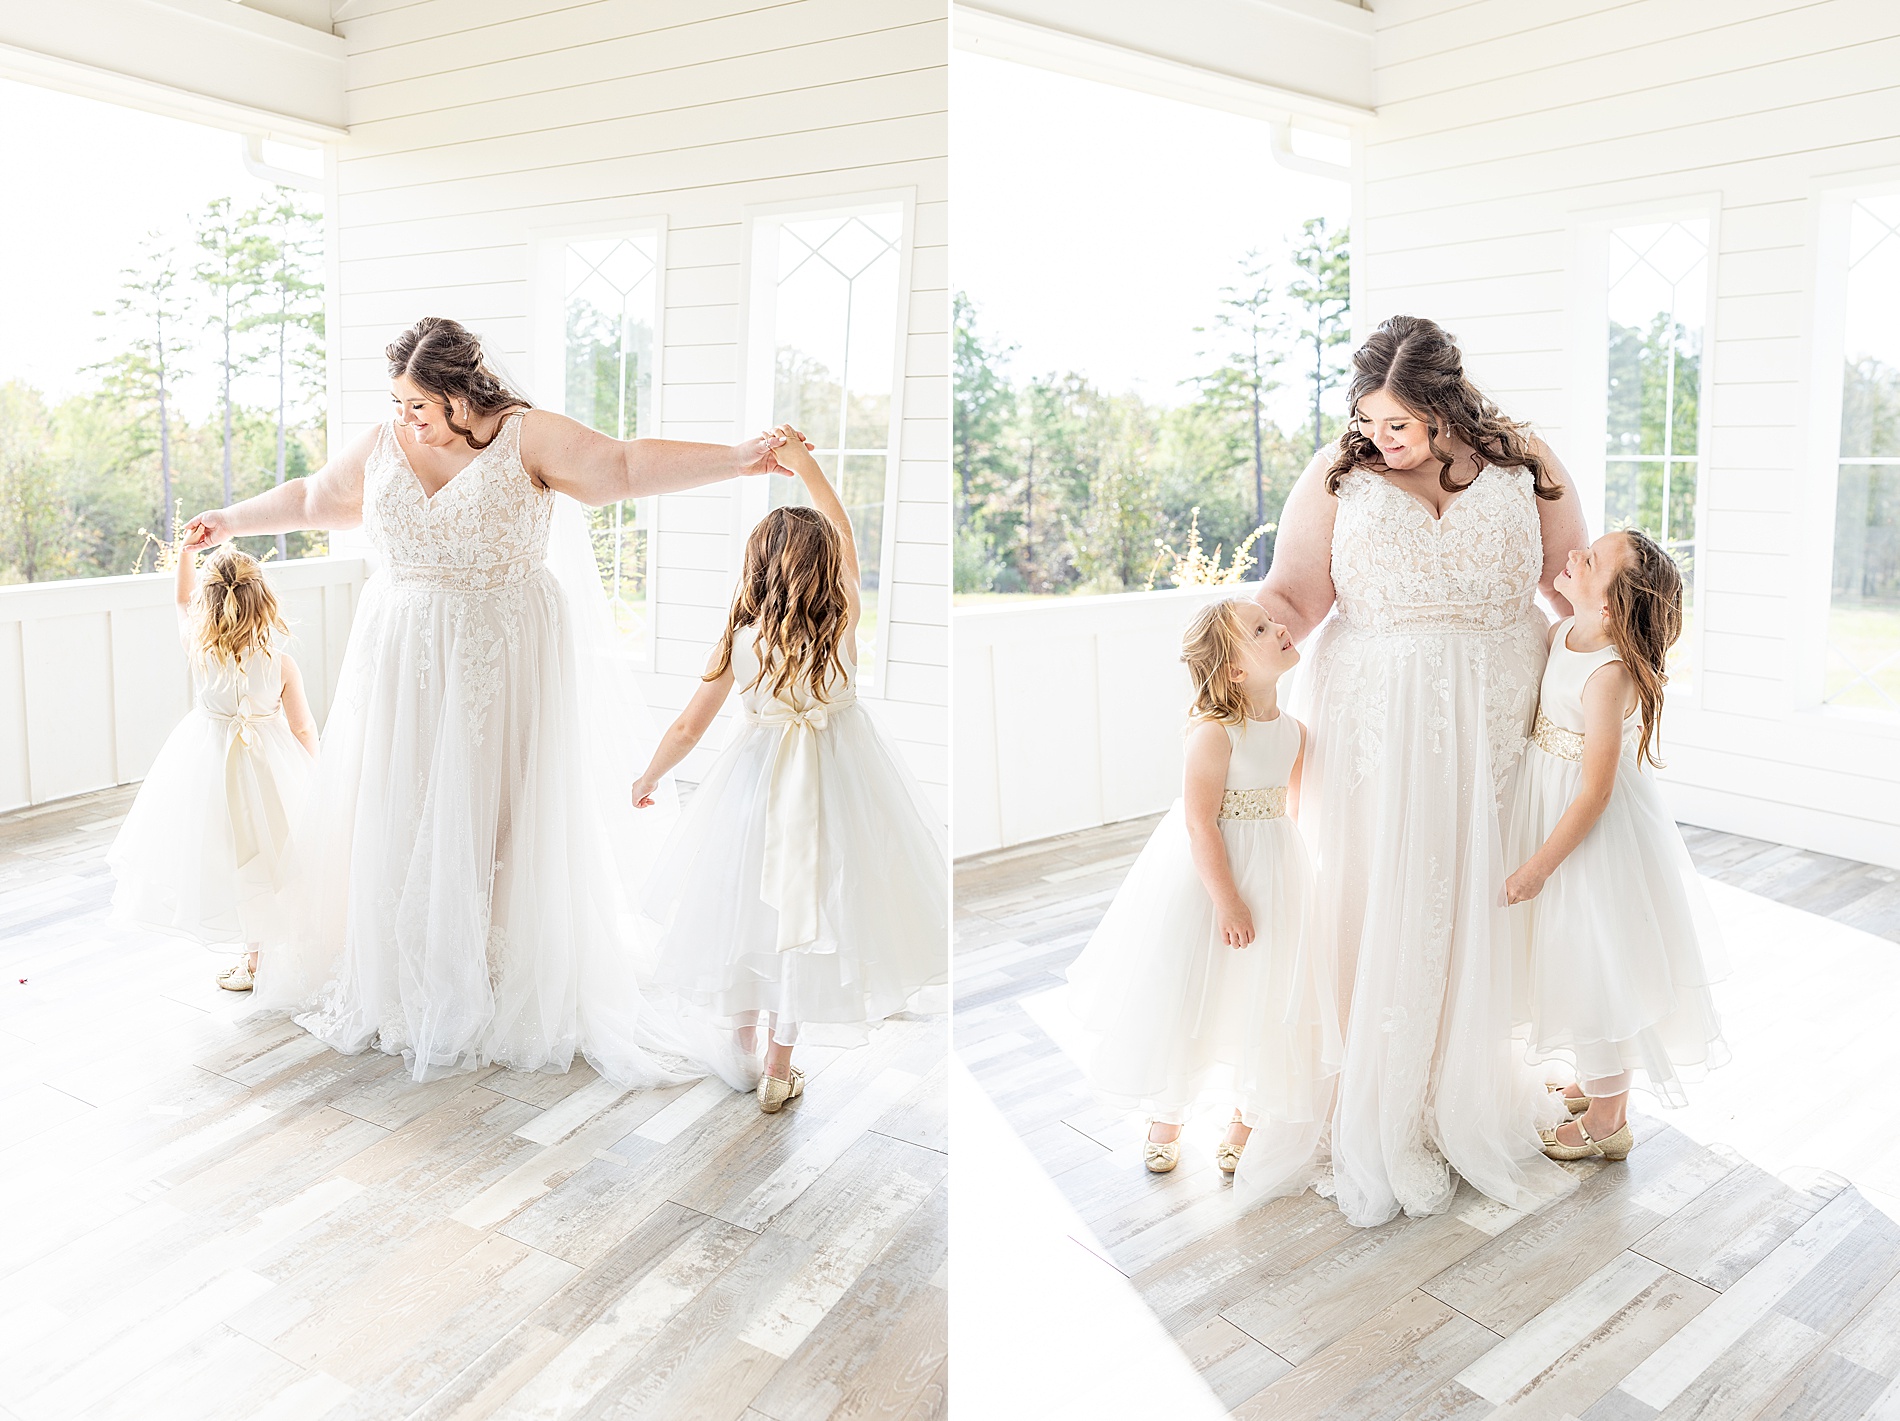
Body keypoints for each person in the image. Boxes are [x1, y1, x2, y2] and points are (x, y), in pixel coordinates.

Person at [186, 316, 798, 1084]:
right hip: (401, 659)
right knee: (399, 809)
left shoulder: (524, 436)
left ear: (458, 392)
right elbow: (315, 496)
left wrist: (741, 460)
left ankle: (494, 972)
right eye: (399, 402)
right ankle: (408, 970)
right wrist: (229, 520)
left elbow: (624, 467)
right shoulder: (385, 444)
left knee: (498, 815)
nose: (405, 416)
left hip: (498, 657)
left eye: (419, 403)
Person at [1236, 314, 1582, 1226]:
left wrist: (1610, 667)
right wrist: (1230, 644)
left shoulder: (1524, 461)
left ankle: (1459, 1082)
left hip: (1497, 707)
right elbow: (1297, 594)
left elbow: (1570, 585)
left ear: (1444, 406)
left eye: (1400, 425)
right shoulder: (1339, 471)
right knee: (1381, 884)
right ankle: (1374, 1090)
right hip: (1374, 713)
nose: (1382, 441)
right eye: (1371, 421)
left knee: (1471, 889)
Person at [631, 426, 948, 1111]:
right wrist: (803, 461)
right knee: (812, 910)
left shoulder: (739, 636)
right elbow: (840, 524)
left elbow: (690, 722)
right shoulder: (841, 619)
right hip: (837, 783)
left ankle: (741, 1050)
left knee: (748, 907)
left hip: (754, 785)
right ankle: (780, 1068)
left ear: (757, 567)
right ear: (828, 566)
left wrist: (650, 775)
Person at [1066, 598, 1338, 1175]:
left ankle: (1246, 1119)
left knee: (1263, 990)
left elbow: (1290, 805)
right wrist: (1228, 899)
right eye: (1261, 629)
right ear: (1236, 670)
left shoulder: (1294, 732)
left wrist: (1293, 873)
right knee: (1193, 989)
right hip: (1214, 875)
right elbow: (1198, 822)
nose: (1280, 627)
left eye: (1271, 621)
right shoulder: (1216, 734)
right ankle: (1168, 1114)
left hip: (1274, 866)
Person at [1505, 530, 1726, 1161]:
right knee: (1567, 960)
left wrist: (1539, 867)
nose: (1574, 554)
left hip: (1587, 835)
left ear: (1611, 607)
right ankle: (1589, 1080)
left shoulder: (1609, 675)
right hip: (1545, 802)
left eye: (1590, 560)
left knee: (1599, 962)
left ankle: (1610, 1117)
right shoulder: (1561, 636)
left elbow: (1596, 792)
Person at [107, 538, 319, 990]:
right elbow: (302, 728)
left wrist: (186, 552)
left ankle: (253, 960)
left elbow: (181, 601)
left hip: (210, 769)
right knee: (278, 855)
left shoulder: (200, 652)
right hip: (271, 769)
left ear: (211, 603)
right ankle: (282, 951)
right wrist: (313, 773)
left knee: (231, 856)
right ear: (265, 603)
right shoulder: (282, 665)